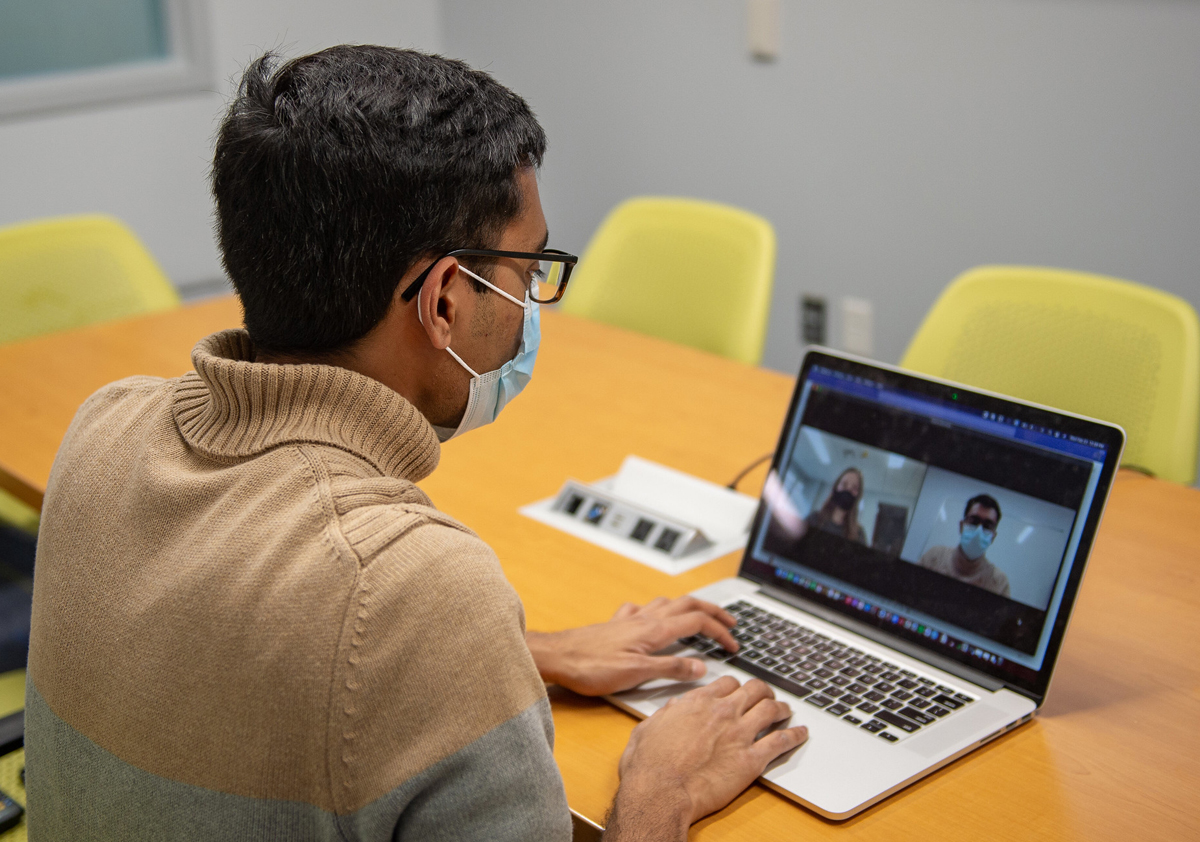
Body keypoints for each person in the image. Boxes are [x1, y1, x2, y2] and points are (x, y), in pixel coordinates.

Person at [24, 47, 807, 841]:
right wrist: (659, 792)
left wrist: (516, 652)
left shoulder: (104, 426)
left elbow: (237, 633)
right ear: (442, 303)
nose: (535, 302)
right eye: (529, 271)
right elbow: (356, 619)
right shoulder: (413, 587)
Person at [917, 494, 1011, 597]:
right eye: (973, 521)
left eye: (987, 525)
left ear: (993, 536)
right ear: (961, 526)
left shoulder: (999, 582)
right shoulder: (934, 557)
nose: (979, 531)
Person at [805, 467, 867, 544]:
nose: (848, 490)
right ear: (836, 487)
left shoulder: (859, 534)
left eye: (854, 488)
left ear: (858, 496)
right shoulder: (814, 519)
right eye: (844, 484)